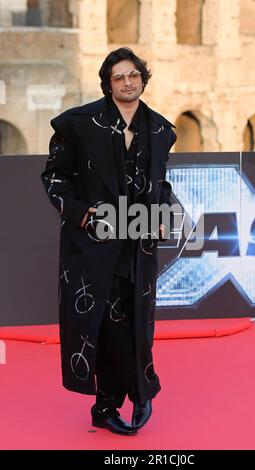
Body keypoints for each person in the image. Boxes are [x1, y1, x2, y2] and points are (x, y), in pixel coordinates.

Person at [41, 47, 176, 436]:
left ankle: (122, 398)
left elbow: (160, 184)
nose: (128, 81)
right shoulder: (78, 124)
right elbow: (54, 176)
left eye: (133, 74)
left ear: (143, 79)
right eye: (119, 76)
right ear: (108, 83)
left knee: (136, 321)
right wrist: (81, 213)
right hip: (95, 245)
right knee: (106, 325)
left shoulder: (161, 129)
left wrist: (166, 213)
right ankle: (130, 393)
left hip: (138, 243)